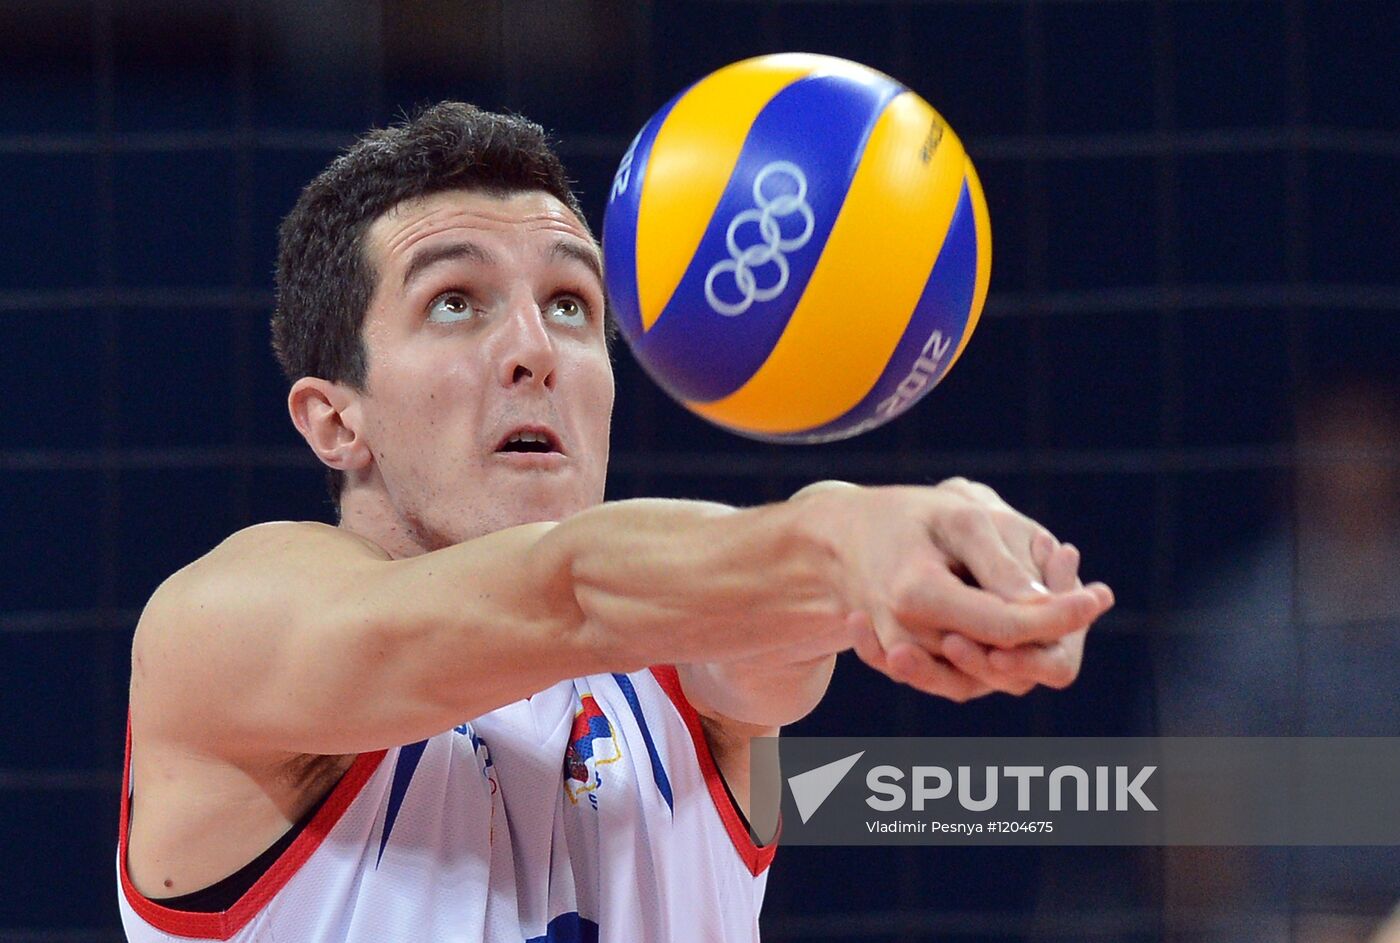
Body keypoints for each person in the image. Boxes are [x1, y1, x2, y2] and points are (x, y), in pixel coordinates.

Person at [116, 101, 1114, 942]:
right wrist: (851, 531)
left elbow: (768, 612)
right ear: (336, 419)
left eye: (568, 304)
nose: (532, 349)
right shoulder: (226, 628)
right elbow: (565, 591)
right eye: (455, 302)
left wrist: (913, 550)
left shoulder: (694, 667)